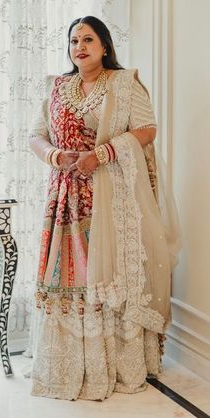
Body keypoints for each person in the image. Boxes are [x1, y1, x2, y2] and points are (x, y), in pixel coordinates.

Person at [29, 15, 181, 401]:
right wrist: (55, 155)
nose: (79, 46)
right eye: (73, 40)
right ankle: (70, 362)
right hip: (64, 199)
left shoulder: (124, 83)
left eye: (88, 39)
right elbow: (36, 135)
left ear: (105, 46)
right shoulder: (57, 86)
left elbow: (146, 130)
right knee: (71, 275)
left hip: (108, 197)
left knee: (108, 275)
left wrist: (102, 153)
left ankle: (113, 364)